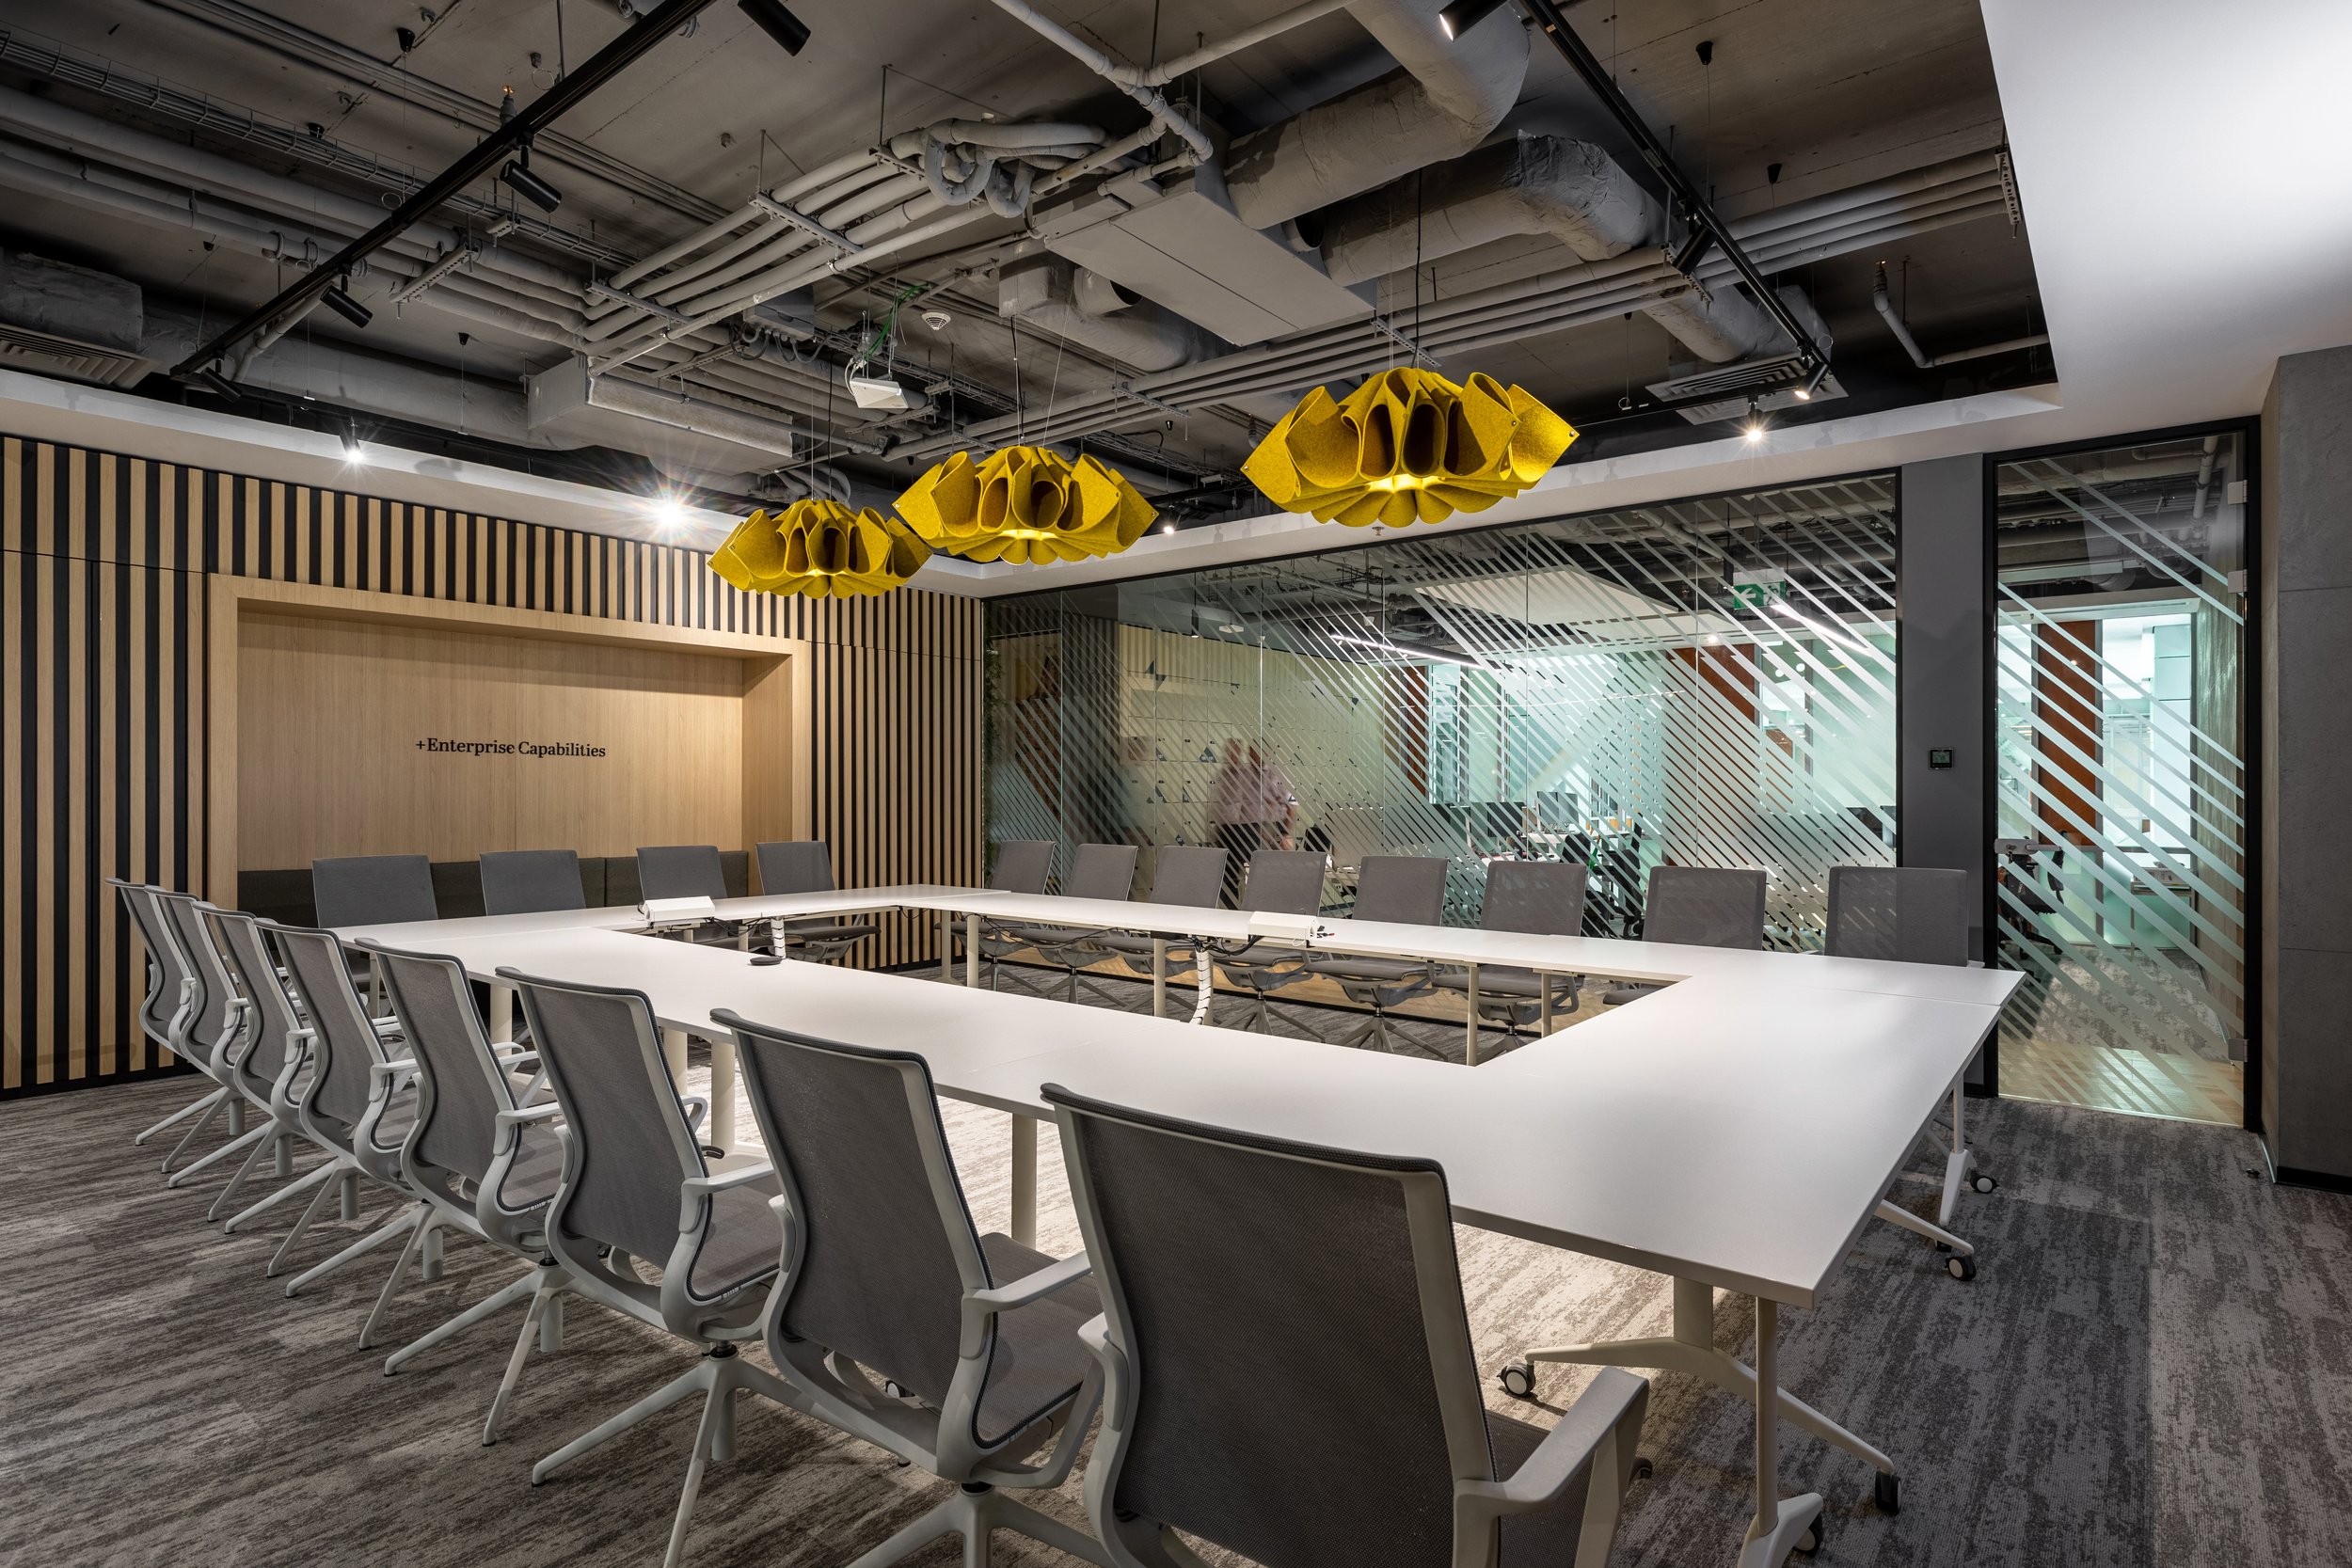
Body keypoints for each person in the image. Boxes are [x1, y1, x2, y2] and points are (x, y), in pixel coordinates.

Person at [1210, 739, 1298, 906]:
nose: (1252, 754)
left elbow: (1291, 806)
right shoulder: (1242, 773)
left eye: (1257, 750)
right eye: (1251, 750)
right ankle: (1232, 911)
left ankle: (1263, 910)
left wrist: (1285, 833)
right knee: (1228, 876)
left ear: (1267, 753)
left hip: (1262, 830)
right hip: (1234, 831)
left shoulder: (1276, 775)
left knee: (1261, 875)